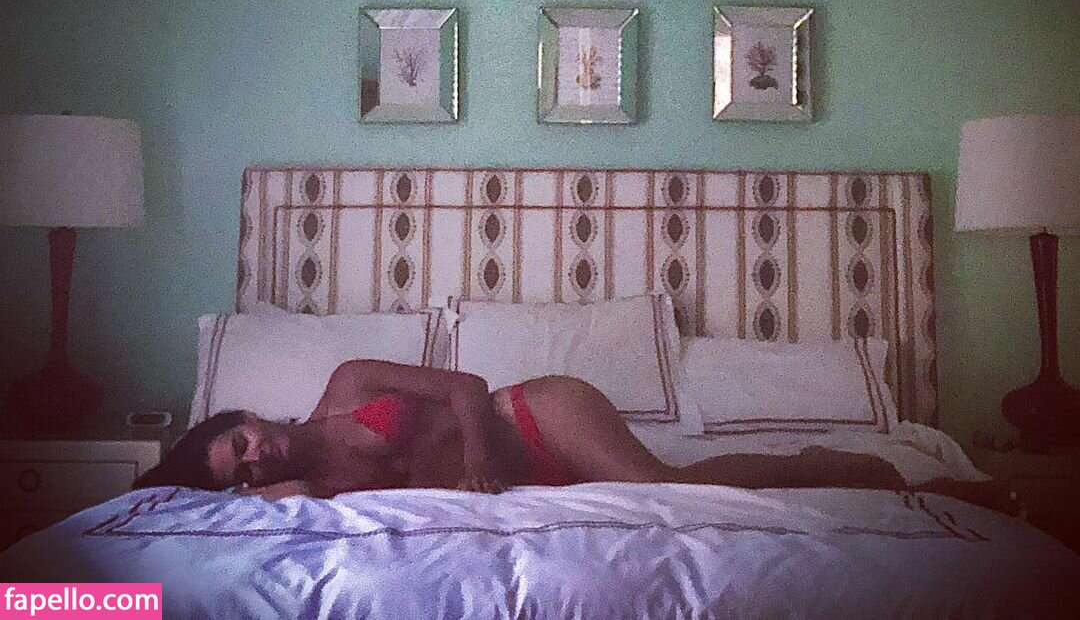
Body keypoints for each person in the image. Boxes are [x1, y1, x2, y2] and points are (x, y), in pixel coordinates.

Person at [135, 361, 1016, 513]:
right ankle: (834, 469)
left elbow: (466, 386)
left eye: (239, 441)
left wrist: (477, 457)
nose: (255, 457)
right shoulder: (304, 493)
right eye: (240, 471)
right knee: (680, 484)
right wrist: (265, 493)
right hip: (533, 488)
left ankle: (848, 466)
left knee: (675, 488)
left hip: (533, 414)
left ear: (245, 416)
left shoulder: (346, 387)